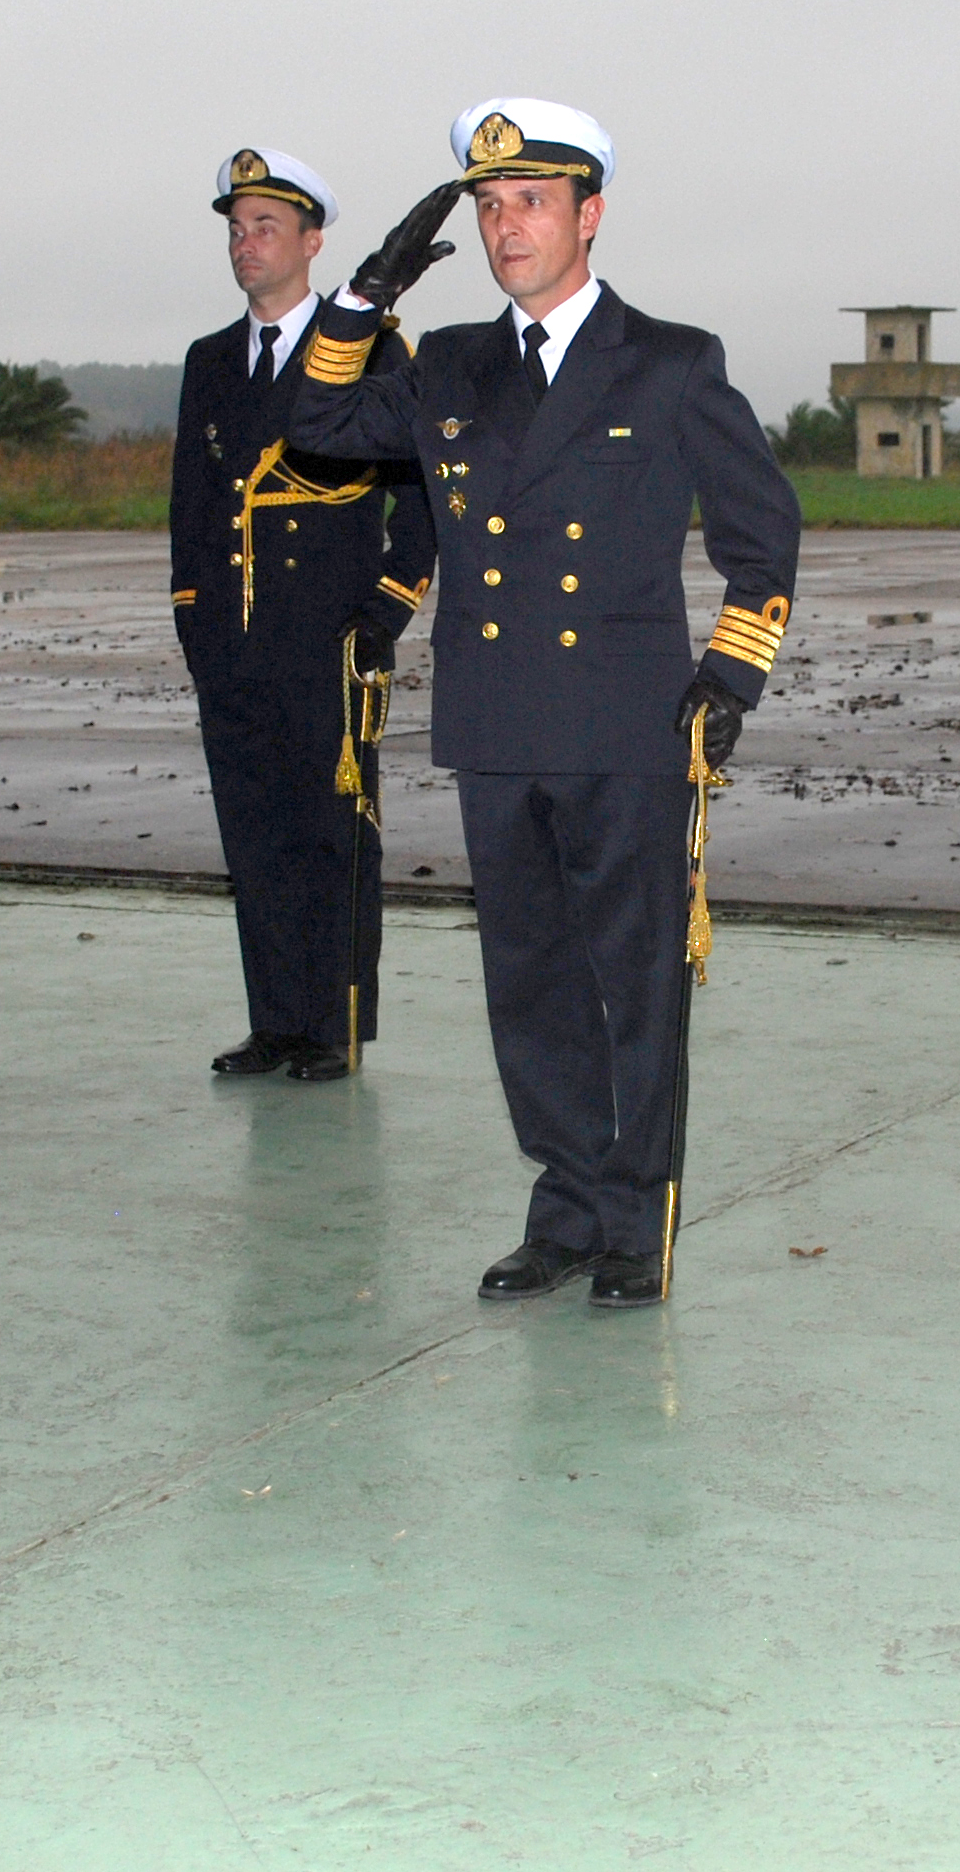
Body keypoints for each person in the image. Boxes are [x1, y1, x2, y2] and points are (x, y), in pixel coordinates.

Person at [295, 100, 800, 1306]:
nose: (502, 226)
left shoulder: (672, 361)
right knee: (528, 987)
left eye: (528, 201)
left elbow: (761, 536)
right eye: (484, 205)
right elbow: (315, 426)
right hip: (498, 722)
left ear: (590, 213)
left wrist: (726, 680)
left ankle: (635, 1223)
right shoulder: (454, 364)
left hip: (625, 728)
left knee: (632, 989)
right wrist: (362, 297)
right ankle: (564, 1208)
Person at [172, 147, 433, 1080]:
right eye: (237, 230)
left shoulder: (369, 346)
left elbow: (426, 502)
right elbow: (192, 511)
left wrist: (388, 610)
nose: (246, 245)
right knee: (255, 833)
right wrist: (196, 625)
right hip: (235, 643)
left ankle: (334, 1024)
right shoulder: (208, 362)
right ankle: (276, 1019)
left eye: (266, 228)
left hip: (331, 637)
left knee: (334, 834)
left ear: (314, 241)